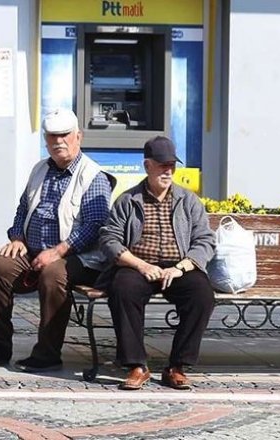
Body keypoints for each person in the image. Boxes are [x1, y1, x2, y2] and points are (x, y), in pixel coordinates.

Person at [0, 108, 114, 372]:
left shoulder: (93, 176)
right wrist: (17, 238)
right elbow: (23, 209)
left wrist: (59, 251)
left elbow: (96, 226)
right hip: (33, 251)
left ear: (78, 137)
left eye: (64, 135)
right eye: (52, 136)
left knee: (53, 274)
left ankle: (48, 354)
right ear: (45, 140)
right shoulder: (39, 169)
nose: (58, 141)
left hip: (78, 257)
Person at [98, 136, 217, 390]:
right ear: (147, 165)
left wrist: (181, 266)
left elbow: (206, 240)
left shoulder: (188, 200)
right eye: (162, 165)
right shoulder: (128, 200)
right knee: (123, 289)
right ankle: (136, 366)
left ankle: (177, 366)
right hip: (139, 265)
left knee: (202, 293)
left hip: (178, 266)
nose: (168, 171)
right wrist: (140, 265)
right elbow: (109, 239)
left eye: (172, 165)